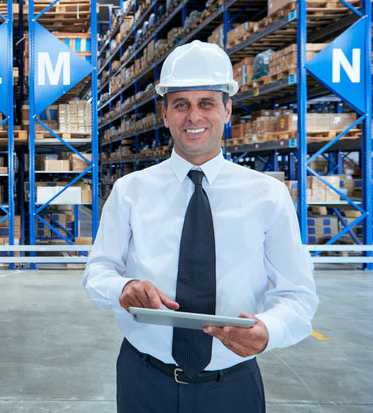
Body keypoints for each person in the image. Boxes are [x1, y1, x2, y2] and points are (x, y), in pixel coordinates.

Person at [82, 40, 318, 413]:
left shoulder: (267, 195)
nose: (193, 116)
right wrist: (122, 288)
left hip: (232, 387)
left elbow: (298, 295)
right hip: (144, 380)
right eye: (181, 104)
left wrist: (270, 330)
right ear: (164, 114)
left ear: (227, 110)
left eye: (206, 103)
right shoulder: (131, 191)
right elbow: (97, 271)